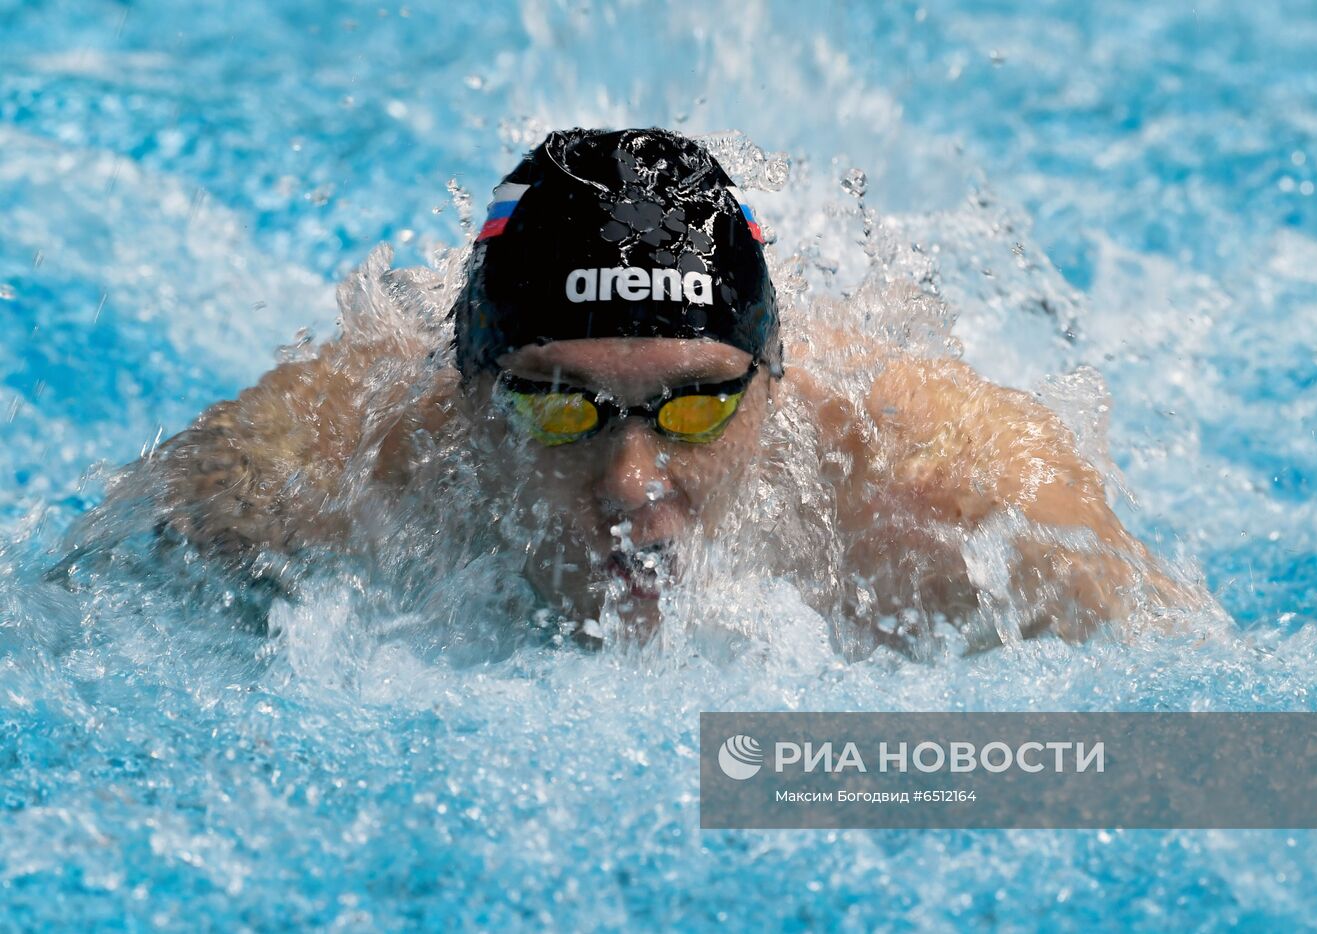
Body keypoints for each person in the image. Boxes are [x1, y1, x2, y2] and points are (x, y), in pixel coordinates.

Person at [69, 128, 1199, 652]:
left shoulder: (962, 508)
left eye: (698, 405)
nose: (629, 481)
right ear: (464, 397)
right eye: (556, 404)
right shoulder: (293, 486)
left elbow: (1273, 755)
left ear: (776, 388)